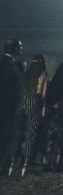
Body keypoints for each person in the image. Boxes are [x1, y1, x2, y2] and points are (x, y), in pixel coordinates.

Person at [7, 56, 48, 177]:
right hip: (34, 102)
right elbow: (43, 94)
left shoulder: (26, 73)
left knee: (17, 133)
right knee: (31, 133)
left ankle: (12, 163)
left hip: (21, 103)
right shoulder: (44, 74)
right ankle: (25, 164)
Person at [0, 39, 23, 173]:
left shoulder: (7, 63)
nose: (21, 49)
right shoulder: (8, 65)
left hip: (7, 107)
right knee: (6, 137)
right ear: (14, 49)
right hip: (7, 108)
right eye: (19, 47)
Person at [43, 61, 63, 171]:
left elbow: (47, 97)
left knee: (50, 139)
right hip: (62, 113)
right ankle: (59, 163)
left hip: (51, 113)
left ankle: (46, 163)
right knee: (61, 140)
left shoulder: (53, 80)